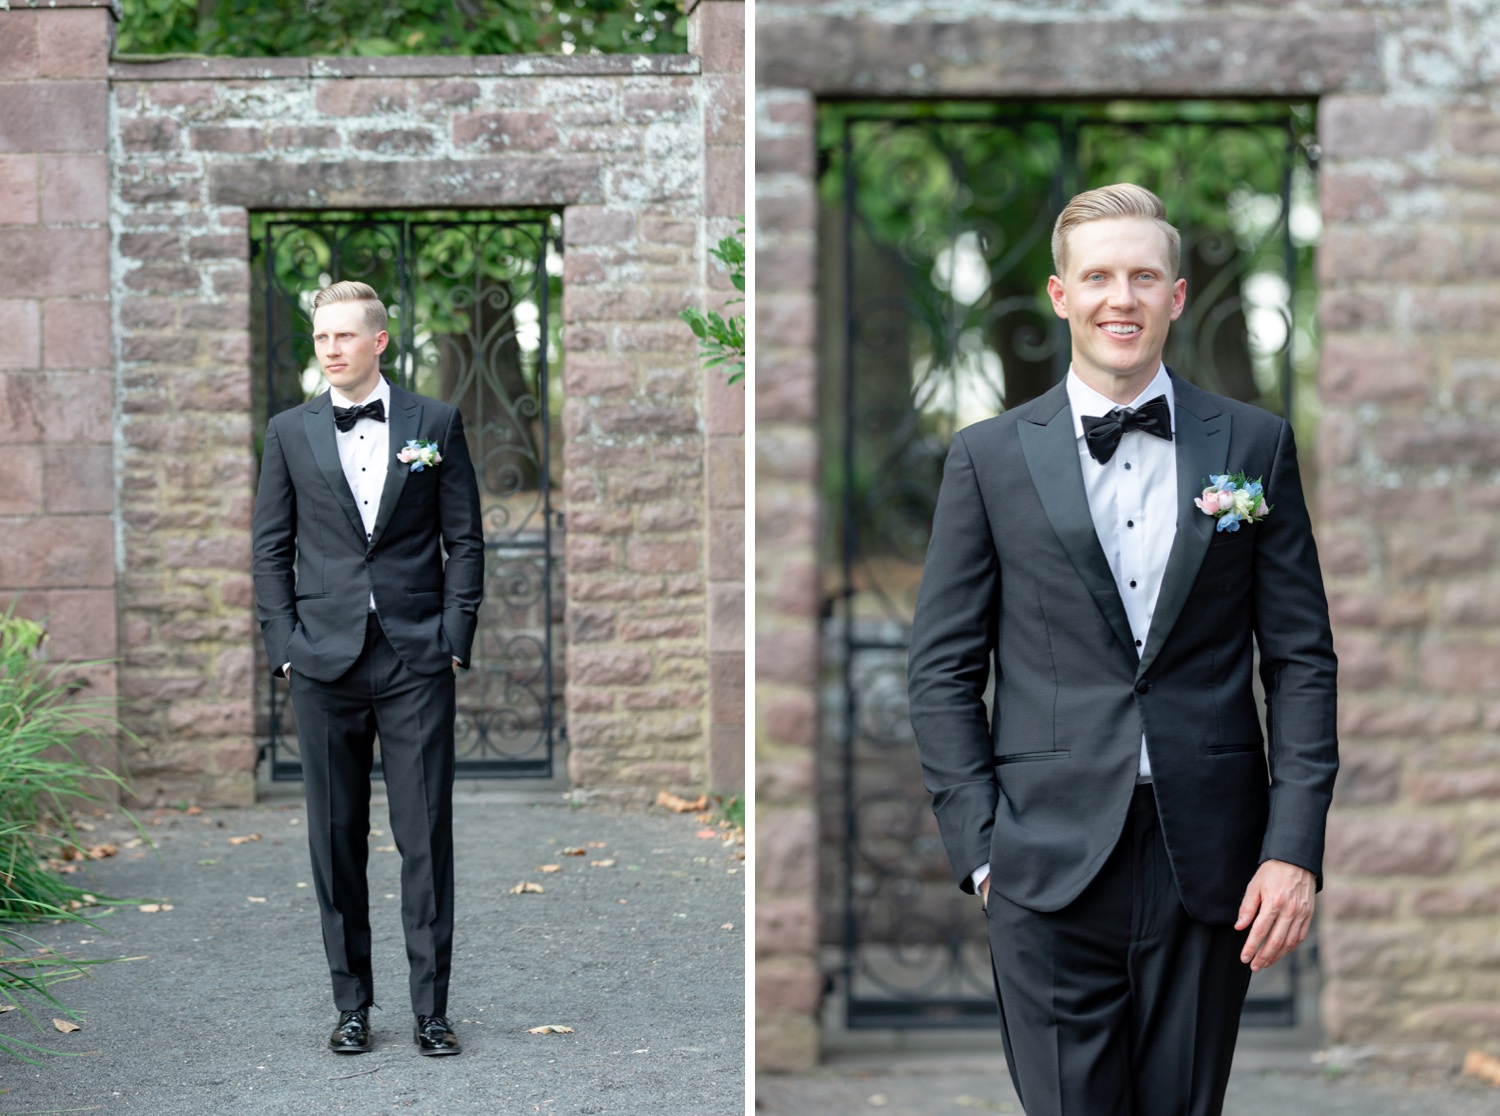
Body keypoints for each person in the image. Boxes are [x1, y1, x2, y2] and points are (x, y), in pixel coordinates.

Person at [906, 184, 1337, 1115]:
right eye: (1097, 276)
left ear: (1177, 296)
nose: (1121, 298)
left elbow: (1300, 660)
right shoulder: (987, 458)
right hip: (1045, 862)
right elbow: (942, 669)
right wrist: (984, 853)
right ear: (1060, 295)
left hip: (1212, 861)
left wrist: (1293, 849)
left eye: (1144, 276)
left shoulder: (1254, 446)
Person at [252, 280, 484, 1057]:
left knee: (425, 838)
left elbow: (467, 540)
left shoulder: (435, 425)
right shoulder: (288, 431)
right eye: (321, 338)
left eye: (345, 336)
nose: (331, 349)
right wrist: (282, 646)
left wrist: (455, 633)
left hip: (416, 655)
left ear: (379, 341)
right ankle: (351, 1005)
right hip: (321, 660)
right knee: (335, 836)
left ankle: (431, 1010)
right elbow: (269, 549)